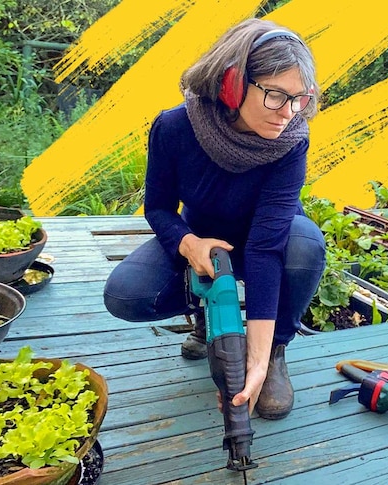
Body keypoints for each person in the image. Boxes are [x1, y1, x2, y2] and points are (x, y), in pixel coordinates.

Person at [103, 18, 326, 421]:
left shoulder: (291, 142)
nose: (288, 113)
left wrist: (254, 361)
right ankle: (208, 321)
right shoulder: (174, 127)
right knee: (126, 294)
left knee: (304, 245)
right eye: (276, 95)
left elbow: (264, 246)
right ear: (232, 84)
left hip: (271, 238)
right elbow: (157, 208)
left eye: (300, 99)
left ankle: (275, 351)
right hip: (202, 237)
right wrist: (190, 245)